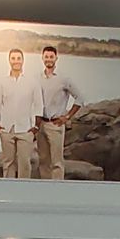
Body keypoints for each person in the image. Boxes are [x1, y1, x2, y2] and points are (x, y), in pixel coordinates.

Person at [35, 44, 84, 179]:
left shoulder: (64, 79)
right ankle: (45, 189)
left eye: (51, 57)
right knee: (43, 160)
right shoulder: (37, 78)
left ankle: (57, 189)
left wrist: (67, 116)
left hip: (55, 125)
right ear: (42, 58)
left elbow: (80, 98)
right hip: (41, 125)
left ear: (56, 58)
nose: (49, 59)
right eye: (46, 57)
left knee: (57, 162)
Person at [0, 47, 41, 179]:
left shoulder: (32, 82)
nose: (16, 61)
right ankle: (8, 190)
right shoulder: (2, 82)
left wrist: (35, 128)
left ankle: (23, 190)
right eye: (13, 58)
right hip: (7, 129)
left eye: (18, 58)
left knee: (24, 163)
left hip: (25, 129)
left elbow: (39, 106)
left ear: (23, 60)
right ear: (9, 60)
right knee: (8, 163)